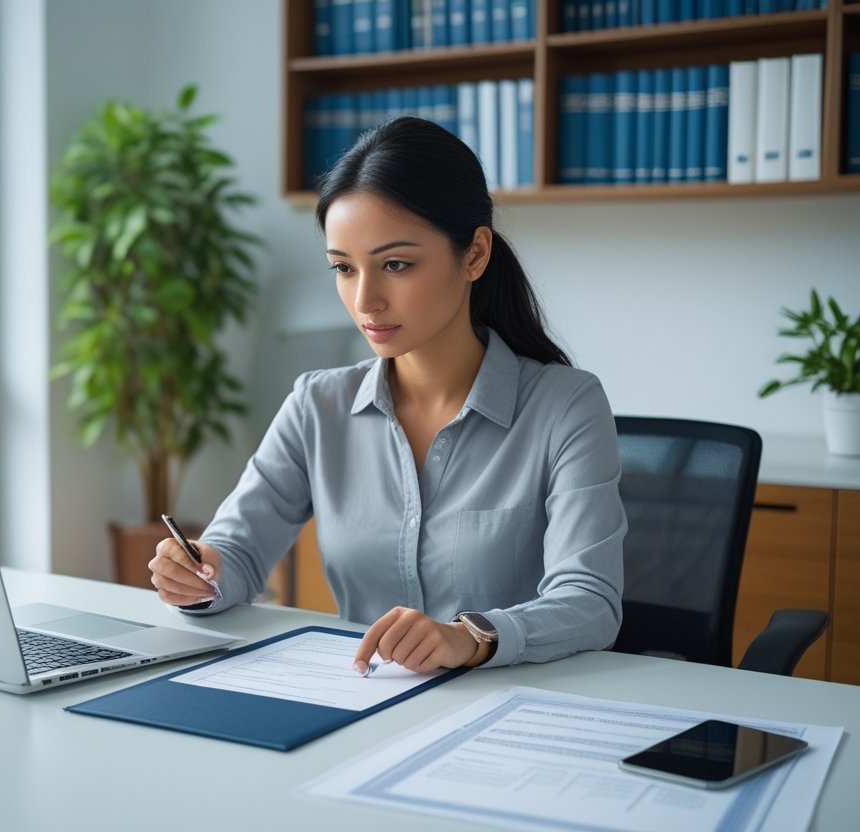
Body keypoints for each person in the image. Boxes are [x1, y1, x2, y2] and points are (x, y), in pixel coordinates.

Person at [148, 116, 625, 674]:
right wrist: (199, 573)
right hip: (365, 704)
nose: (365, 299)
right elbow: (237, 550)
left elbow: (590, 601)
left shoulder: (565, 406)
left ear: (474, 254)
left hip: (511, 710)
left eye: (395, 265)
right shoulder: (317, 406)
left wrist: (470, 638)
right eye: (344, 269)